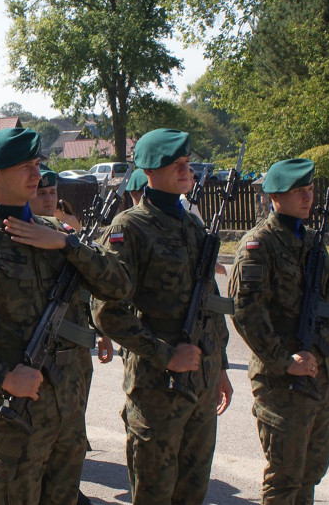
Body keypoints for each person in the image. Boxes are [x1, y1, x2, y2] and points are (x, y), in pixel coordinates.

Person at [0, 128, 132, 503]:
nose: (36, 175)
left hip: (69, 417)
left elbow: (119, 286)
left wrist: (69, 245)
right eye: (25, 167)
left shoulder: (59, 236)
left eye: (37, 165)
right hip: (16, 422)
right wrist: (2, 376)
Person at [92, 128, 234, 505]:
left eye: (187, 162)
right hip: (158, 386)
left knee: (193, 491)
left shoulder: (192, 225)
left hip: (201, 382)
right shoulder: (129, 228)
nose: (187, 169)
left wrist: (219, 366)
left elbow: (210, 301)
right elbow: (105, 311)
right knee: (154, 493)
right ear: (152, 170)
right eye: (177, 163)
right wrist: (165, 354)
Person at [230, 158, 329, 504]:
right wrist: (285, 361)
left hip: (319, 377)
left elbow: (326, 311)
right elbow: (246, 313)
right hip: (282, 382)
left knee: (310, 475)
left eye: (310, 190)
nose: (307, 197)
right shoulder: (259, 245)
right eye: (298, 191)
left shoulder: (312, 242)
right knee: (285, 479)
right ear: (274, 196)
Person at [30, 171, 113, 505]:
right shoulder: (27, 239)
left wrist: (102, 333)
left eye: (52, 192)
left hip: (75, 343)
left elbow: (98, 289)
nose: (49, 198)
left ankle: (68, 486)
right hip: (41, 346)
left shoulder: (70, 236)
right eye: (42, 192)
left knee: (73, 420)